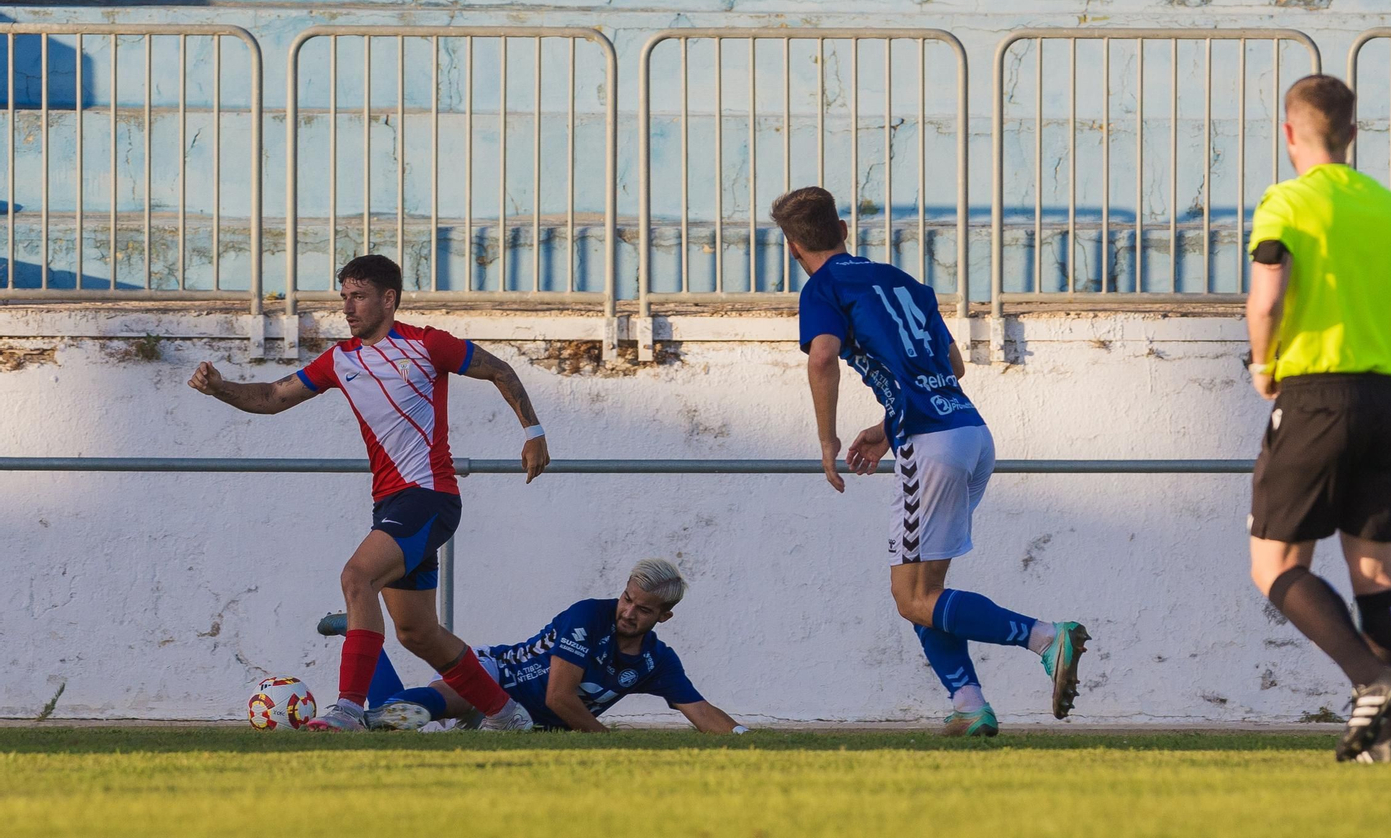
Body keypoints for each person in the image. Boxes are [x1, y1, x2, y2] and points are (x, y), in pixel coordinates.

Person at [770, 186, 1090, 737]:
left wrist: (828, 439)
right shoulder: (903, 281)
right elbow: (953, 366)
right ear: (844, 229)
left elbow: (823, 355)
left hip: (932, 443)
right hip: (969, 432)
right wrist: (885, 427)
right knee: (924, 594)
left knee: (912, 598)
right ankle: (968, 704)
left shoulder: (823, 286)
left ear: (793, 248)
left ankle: (1044, 637)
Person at [190, 254, 552, 732]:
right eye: (344, 297)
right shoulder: (341, 360)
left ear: (388, 299)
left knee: (357, 577)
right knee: (417, 632)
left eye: (358, 297)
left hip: (429, 496)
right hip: (393, 504)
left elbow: (500, 370)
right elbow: (273, 398)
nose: (348, 307)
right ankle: (508, 715)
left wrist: (534, 431)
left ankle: (347, 710)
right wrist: (220, 388)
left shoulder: (427, 345)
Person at [1245, 75, 1391, 763]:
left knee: (1274, 563)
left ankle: (1374, 678)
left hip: (1314, 396)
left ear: (1289, 134)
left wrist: (1261, 362)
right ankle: (1385, 738)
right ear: (1354, 133)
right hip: (1383, 404)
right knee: (1373, 565)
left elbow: (1267, 297)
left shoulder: (1285, 202)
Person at [330, 558, 744, 733]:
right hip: (496, 672)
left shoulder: (657, 660)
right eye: (627, 598)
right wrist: (604, 739)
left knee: (403, 723)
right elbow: (559, 697)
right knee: (435, 704)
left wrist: (743, 736)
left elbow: (700, 710)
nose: (629, 612)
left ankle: (372, 704)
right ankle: (373, 700)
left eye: (643, 609)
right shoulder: (588, 616)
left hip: (521, 719)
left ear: (663, 617)